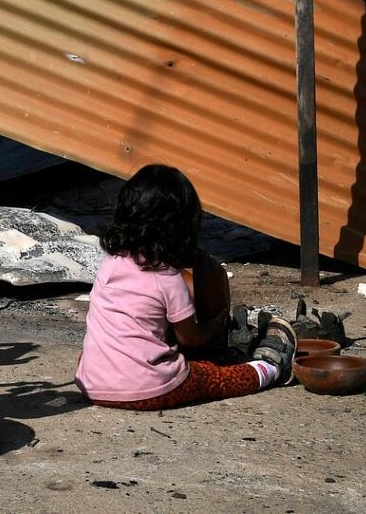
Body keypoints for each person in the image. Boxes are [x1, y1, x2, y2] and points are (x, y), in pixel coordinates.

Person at [75, 164, 297, 410]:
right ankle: (271, 367)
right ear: (181, 228)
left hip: (93, 385)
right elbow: (191, 338)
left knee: (109, 352)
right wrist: (216, 322)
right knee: (214, 378)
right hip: (148, 390)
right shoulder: (167, 279)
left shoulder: (110, 263)